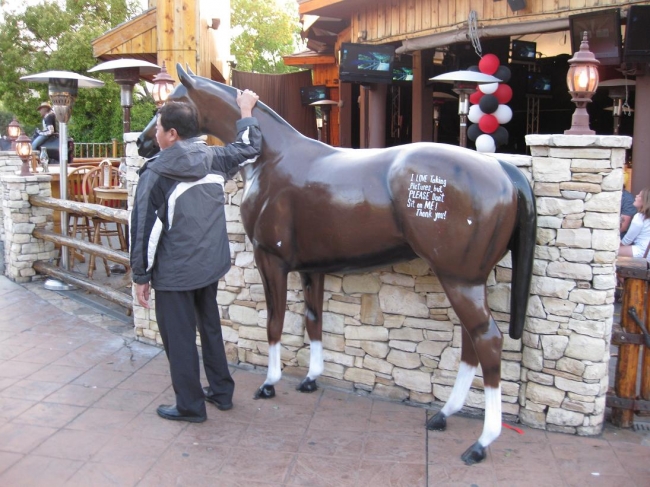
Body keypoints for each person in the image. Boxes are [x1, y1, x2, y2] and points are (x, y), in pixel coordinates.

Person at [130, 92, 262, 423]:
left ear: (172, 134)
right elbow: (249, 148)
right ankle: (221, 392)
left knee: (180, 339)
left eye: (159, 127)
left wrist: (140, 276)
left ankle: (190, 406)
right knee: (210, 327)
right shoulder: (215, 159)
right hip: (209, 265)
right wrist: (245, 111)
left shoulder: (156, 173)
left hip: (176, 275)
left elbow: (143, 229)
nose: (156, 133)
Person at [619, 188, 650, 259]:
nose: (636, 196)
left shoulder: (639, 217)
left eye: (639, 196)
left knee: (612, 251)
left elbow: (626, 241)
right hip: (647, 251)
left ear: (645, 201)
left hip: (642, 251)